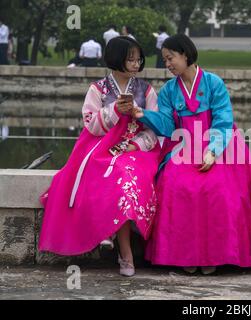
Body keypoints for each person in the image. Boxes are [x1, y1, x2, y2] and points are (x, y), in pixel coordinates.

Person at [134, 34, 251, 275]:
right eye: (165, 60)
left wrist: (212, 151)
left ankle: (214, 254)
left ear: (185, 54)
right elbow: (167, 126)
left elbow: (224, 121)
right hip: (182, 146)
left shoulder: (213, 83)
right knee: (174, 184)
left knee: (218, 188)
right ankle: (185, 254)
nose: (168, 64)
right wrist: (142, 115)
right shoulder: (169, 90)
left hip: (219, 145)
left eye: (170, 58)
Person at [39, 36, 161, 277]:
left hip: (136, 150)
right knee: (104, 170)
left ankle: (121, 246)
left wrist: (136, 140)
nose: (136, 64)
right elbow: (91, 125)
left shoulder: (146, 90)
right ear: (116, 59)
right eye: (130, 59)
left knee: (126, 176)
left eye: (138, 59)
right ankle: (123, 250)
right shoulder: (97, 89)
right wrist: (115, 110)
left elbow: (154, 128)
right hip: (99, 146)